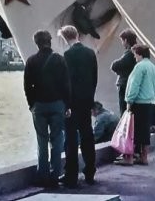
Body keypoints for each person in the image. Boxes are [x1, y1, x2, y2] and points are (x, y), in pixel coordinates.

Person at [24, 30, 71, 188]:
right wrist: (67, 104)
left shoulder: (31, 61)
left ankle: (42, 175)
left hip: (39, 105)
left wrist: (32, 104)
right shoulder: (59, 59)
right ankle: (55, 175)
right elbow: (66, 84)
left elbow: (27, 86)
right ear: (50, 41)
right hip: (57, 104)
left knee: (41, 141)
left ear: (36, 43)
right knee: (57, 141)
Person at [58, 25, 97, 187]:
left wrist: (66, 104)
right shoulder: (90, 53)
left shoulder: (67, 55)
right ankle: (90, 171)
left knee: (71, 139)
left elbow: (67, 83)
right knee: (88, 136)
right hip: (86, 102)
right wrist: (91, 101)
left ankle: (71, 175)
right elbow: (94, 79)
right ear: (77, 35)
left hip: (72, 104)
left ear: (65, 38)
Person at [115, 44, 155, 166]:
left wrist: (129, 101)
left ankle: (128, 158)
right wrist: (150, 95)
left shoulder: (139, 67)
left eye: (135, 54)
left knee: (132, 131)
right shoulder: (153, 67)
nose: (134, 57)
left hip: (138, 103)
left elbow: (134, 85)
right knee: (144, 130)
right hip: (149, 102)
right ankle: (144, 157)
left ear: (139, 54)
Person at [110, 29, 137, 115]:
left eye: (122, 40)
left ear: (126, 40)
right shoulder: (137, 52)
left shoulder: (129, 53)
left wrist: (120, 72)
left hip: (125, 84)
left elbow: (114, 66)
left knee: (124, 110)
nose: (122, 43)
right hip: (132, 84)